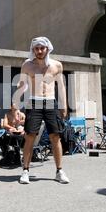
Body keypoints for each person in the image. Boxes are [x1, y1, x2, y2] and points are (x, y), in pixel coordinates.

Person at [16, 36, 69, 184]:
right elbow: (21, 85)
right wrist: (15, 106)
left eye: (42, 48)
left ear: (47, 49)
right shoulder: (27, 65)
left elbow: (61, 86)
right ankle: (25, 171)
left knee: (55, 137)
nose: (39, 51)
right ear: (33, 50)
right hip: (34, 102)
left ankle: (59, 171)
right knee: (30, 136)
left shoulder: (56, 65)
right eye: (36, 48)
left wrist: (63, 105)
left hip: (51, 102)